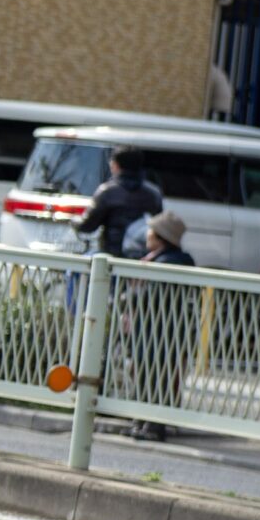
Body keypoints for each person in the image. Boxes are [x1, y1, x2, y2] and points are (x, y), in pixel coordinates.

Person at [129, 209, 197, 440]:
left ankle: (151, 425)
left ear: (160, 237)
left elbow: (150, 298)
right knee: (161, 376)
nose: (146, 235)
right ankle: (146, 422)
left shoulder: (165, 263)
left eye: (151, 232)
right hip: (168, 331)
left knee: (151, 375)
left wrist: (131, 296)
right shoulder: (177, 260)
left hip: (156, 331)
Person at [82, 149, 164, 259]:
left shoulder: (107, 191)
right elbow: (159, 227)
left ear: (116, 165)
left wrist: (74, 222)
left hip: (110, 256)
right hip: (140, 258)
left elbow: (88, 225)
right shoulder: (154, 193)